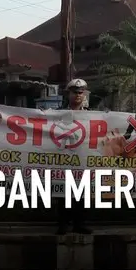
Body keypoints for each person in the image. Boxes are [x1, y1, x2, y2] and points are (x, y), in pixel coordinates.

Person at [55, 78, 92, 235]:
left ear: (84, 95)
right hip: (63, 158)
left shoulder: (93, 116)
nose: (77, 95)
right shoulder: (57, 114)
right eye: (74, 92)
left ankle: (80, 224)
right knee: (62, 192)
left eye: (80, 92)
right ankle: (63, 224)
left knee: (82, 193)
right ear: (68, 94)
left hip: (82, 159)